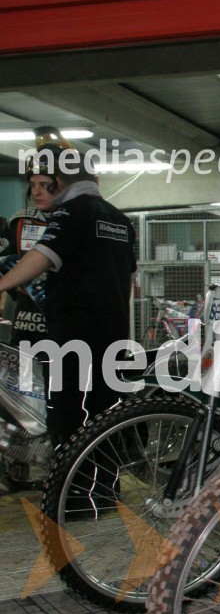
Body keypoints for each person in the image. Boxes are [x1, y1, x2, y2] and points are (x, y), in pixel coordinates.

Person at [0, 141, 137, 453]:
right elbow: (128, 282)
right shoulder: (119, 219)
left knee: (67, 416)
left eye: (46, 183)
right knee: (106, 415)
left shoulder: (72, 210)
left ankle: (71, 493)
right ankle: (104, 488)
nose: (39, 190)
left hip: (73, 337)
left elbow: (42, 256)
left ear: (59, 182)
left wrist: (2, 283)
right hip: (113, 336)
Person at [0, 128, 64, 345]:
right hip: (23, 320)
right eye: (33, 185)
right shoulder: (19, 221)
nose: (37, 192)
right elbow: (5, 260)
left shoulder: (76, 219)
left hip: (64, 321)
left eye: (45, 185)